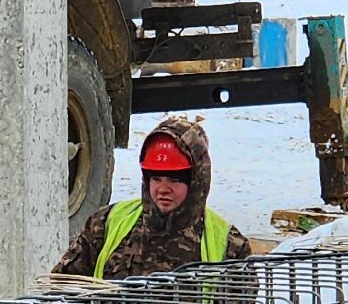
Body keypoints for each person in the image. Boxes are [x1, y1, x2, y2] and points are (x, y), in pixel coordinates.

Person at [55, 116, 252, 280]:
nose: (163, 189)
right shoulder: (105, 224)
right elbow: (60, 289)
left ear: (196, 181)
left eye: (174, 180)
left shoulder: (230, 247)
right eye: (156, 179)